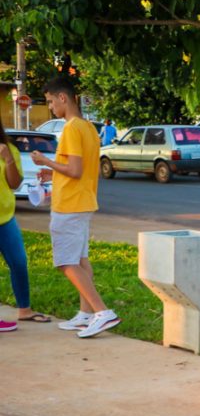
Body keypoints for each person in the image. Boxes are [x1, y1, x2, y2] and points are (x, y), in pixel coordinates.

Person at [30, 77, 119, 338]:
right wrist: (52, 172)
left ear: (63, 98)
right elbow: (77, 169)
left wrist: (45, 160)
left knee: (65, 262)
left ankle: (102, 312)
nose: (50, 108)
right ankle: (86, 314)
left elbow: (76, 170)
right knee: (80, 259)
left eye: (50, 102)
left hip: (69, 205)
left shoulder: (71, 128)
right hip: (83, 201)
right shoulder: (88, 127)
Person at [0, 119, 51, 332]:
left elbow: (14, 183)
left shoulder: (9, 148)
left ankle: (25, 310)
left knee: (19, 262)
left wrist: (8, 159)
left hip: (5, 217)